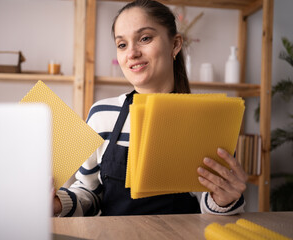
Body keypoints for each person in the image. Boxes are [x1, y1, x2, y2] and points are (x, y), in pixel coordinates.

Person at [53, 0, 247, 217]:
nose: (132, 53)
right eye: (122, 44)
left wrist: (224, 201)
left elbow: (209, 206)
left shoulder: (208, 120)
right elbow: (90, 192)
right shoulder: (102, 114)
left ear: (175, 44)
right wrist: (59, 203)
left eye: (144, 38)